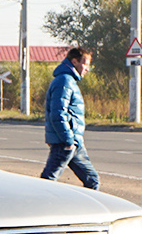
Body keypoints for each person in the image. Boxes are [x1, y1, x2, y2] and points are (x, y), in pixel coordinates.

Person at [40, 47, 99, 190]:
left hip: (73, 141)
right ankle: (38, 208)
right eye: (85, 64)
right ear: (74, 61)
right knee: (47, 183)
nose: (87, 69)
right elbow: (58, 113)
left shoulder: (69, 81)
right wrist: (68, 141)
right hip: (65, 142)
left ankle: (85, 211)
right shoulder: (64, 81)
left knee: (92, 180)